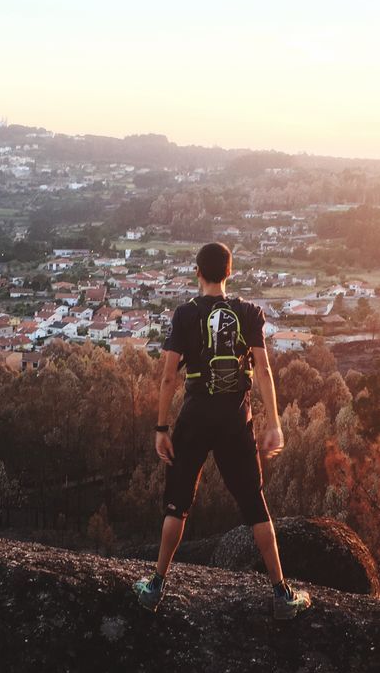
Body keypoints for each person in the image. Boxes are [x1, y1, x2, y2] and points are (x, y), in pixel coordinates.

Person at [133, 242, 313, 620]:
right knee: (254, 503)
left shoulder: (185, 314)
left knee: (177, 504)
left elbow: (168, 377)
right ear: (230, 273)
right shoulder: (249, 313)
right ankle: (281, 593)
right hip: (236, 418)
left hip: (195, 416)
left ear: (197, 272)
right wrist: (275, 423)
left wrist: (161, 428)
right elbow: (263, 371)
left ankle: (155, 586)